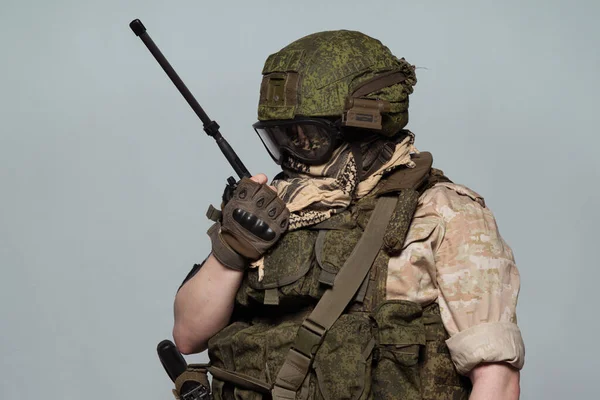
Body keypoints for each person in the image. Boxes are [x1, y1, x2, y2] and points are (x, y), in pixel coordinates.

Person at [173, 30, 524, 400]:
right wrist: (232, 247)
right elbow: (188, 335)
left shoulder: (443, 213)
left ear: (363, 124)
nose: (294, 151)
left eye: (307, 135)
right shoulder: (269, 209)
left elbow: (497, 380)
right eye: (282, 137)